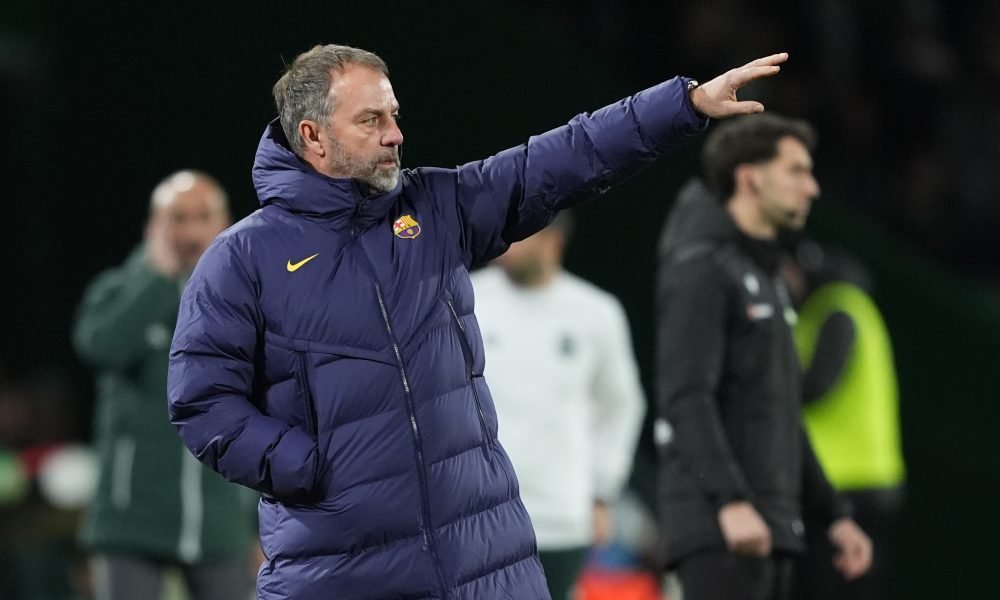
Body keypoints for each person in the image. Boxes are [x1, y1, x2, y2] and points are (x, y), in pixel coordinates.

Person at [166, 43, 789, 599]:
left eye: (394, 115)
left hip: (485, 563)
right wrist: (309, 468)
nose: (395, 134)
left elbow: (561, 158)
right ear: (313, 135)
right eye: (371, 120)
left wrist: (684, 105)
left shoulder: (435, 209)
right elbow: (201, 402)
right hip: (336, 570)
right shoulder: (242, 258)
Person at [654, 115, 873, 600]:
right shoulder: (701, 269)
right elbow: (686, 398)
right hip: (722, 529)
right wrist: (729, 501)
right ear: (749, 177)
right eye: (796, 171)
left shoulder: (768, 278)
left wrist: (834, 515)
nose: (812, 188)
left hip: (771, 526)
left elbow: (783, 411)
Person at [73, 171, 256, 600]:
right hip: (133, 519)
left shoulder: (249, 298)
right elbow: (101, 347)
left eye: (202, 217)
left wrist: (264, 524)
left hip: (221, 520)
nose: (190, 232)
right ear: (153, 227)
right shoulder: (118, 290)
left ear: (224, 224)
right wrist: (159, 278)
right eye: (178, 218)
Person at [471, 213, 646, 600]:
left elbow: (622, 406)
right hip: (481, 516)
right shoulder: (467, 301)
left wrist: (604, 491)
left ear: (552, 240)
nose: (504, 244)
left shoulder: (597, 313)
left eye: (517, 235)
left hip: (562, 516)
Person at [783, 240, 906, 600]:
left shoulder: (836, 309)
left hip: (846, 481)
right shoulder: (846, 307)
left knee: (822, 585)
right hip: (862, 477)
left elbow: (818, 384)